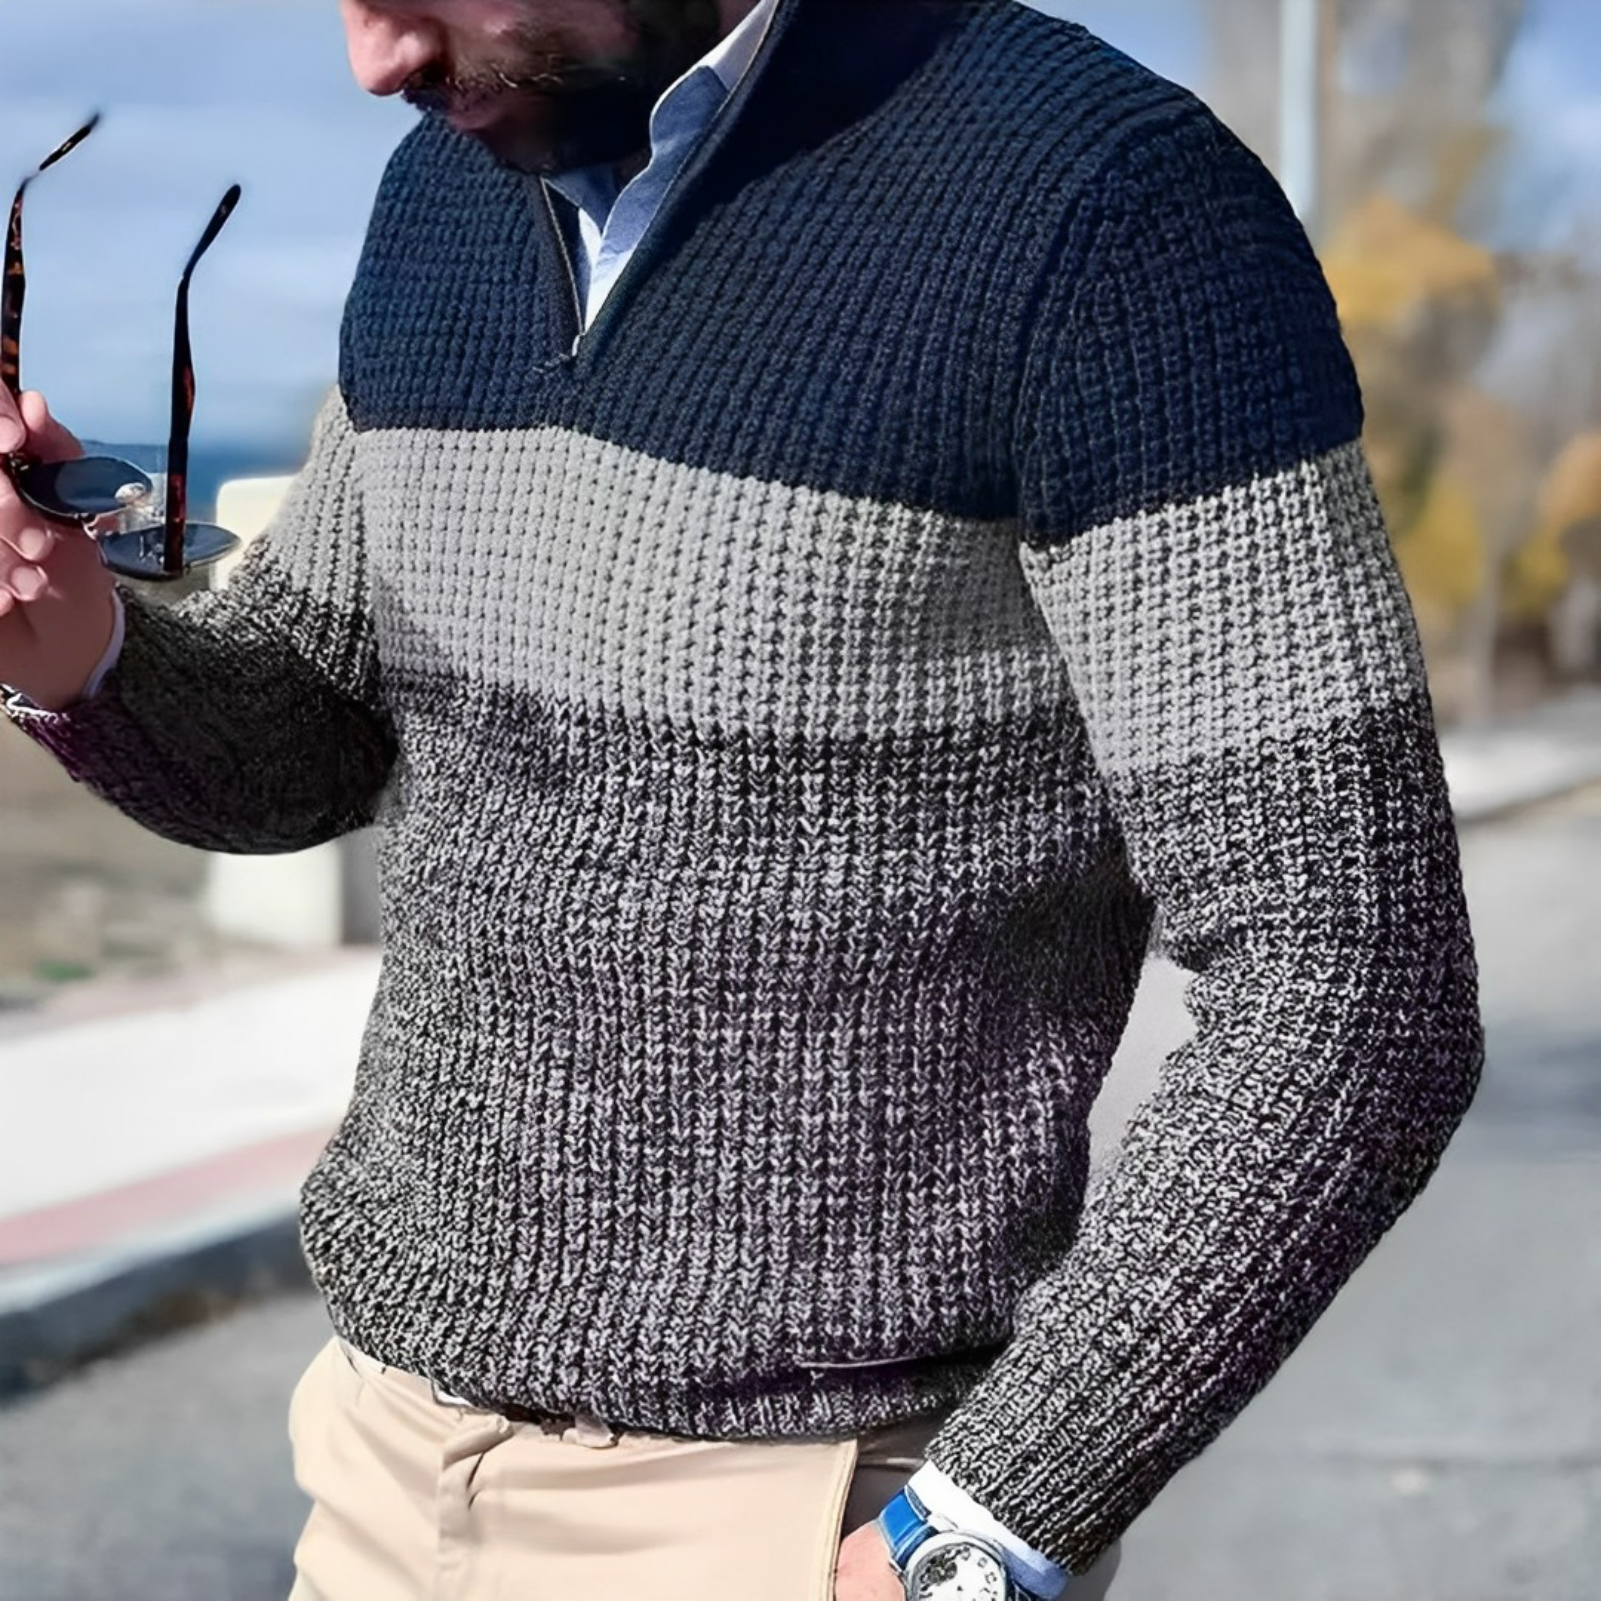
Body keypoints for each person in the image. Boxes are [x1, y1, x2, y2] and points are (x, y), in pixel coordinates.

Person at [0, 1, 1484, 1597]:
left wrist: (978, 1532)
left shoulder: (1109, 208)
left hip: (806, 1510)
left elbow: (1353, 973)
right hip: (381, 1468)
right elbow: (316, 728)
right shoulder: (444, 190)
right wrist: (74, 644)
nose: (374, 62)